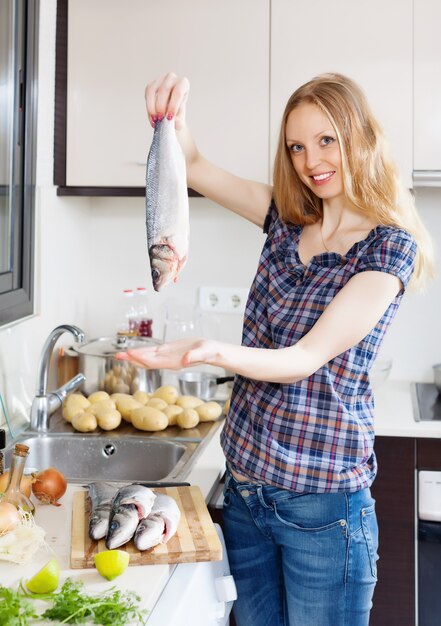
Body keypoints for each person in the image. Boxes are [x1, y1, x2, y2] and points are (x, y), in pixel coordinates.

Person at [118, 72, 433, 626]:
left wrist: (208, 350)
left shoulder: (389, 248)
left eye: (326, 140)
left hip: (324, 508)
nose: (311, 160)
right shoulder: (287, 221)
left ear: (358, 136)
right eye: (297, 146)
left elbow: (303, 359)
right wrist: (171, 117)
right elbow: (192, 166)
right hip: (246, 496)